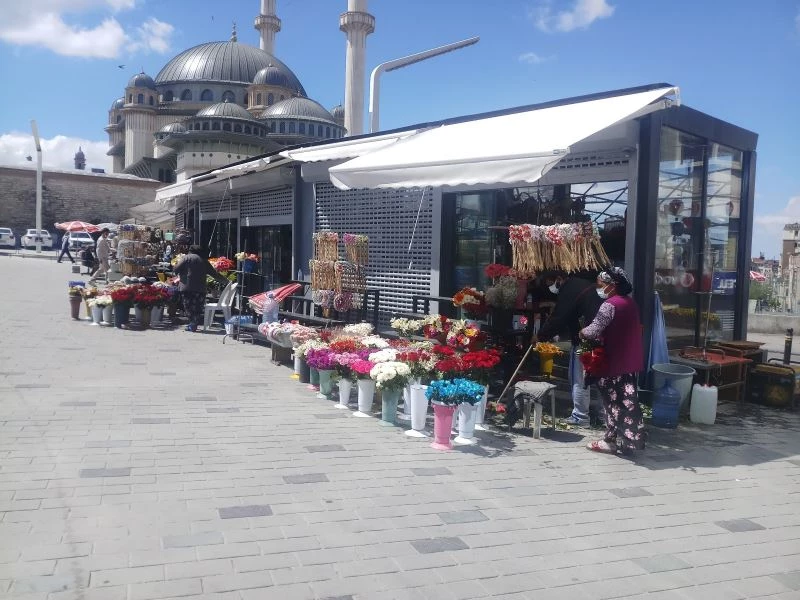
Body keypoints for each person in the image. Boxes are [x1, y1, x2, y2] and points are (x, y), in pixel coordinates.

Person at [579, 267, 646, 455]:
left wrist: (582, 332)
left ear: (612, 285)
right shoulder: (630, 304)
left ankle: (611, 440)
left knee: (612, 403)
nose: (600, 288)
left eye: (602, 285)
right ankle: (627, 440)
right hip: (629, 363)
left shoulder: (610, 305)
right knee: (627, 401)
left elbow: (593, 330)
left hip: (612, 363)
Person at [533, 269, 603, 425]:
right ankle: (605, 416)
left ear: (559, 278)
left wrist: (540, 336)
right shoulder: (582, 285)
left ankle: (580, 416)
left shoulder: (569, 289)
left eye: (551, 284)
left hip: (585, 340)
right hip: (602, 337)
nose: (552, 288)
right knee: (600, 378)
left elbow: (559, 318)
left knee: (579, 377)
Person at [174, 245, 229, 332]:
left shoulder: (186, 258)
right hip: (200, 288)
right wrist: (226, 281)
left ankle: (192, 323)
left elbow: (176, 269)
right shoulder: (204, 261)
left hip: (187, 287)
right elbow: (214, 274)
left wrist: (182, 272)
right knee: (198, 306)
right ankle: (194, 323)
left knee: (188, 306)